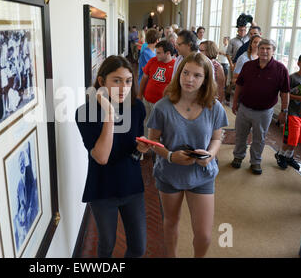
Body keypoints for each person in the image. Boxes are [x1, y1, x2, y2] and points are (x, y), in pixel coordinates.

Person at [145, 52, 228, 258]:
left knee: (204, 235)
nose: (189, 79)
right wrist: (171, 156)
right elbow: (153, 142)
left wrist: (210, 155)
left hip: (202, 173)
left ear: (206, 79)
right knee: (171, 222)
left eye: (197, 75)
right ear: (178, 73)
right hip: (170, 173)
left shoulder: (214, 107)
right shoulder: (162, 106)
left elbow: (217, 138)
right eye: (185, 73)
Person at [75, 55, 148, 258]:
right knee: (107, 245)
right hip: (102, 188)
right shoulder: (84, 113)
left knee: (138, 247)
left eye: (128, 81)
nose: (123, 87)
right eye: (116, 80)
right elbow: (102, 157)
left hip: (132, 185)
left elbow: (134, 151)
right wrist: (108, 113)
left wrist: (140, 150)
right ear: (101, 82)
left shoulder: (137, 108)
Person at [231, 39, 290, 175]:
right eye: (262, 47)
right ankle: (238, 157)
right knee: (240, 135)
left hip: (264, 112)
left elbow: (285, 92)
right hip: (244, 108)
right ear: (257, 49)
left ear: (273, 51)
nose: (264, 51)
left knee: (259, 138)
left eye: (268, 48)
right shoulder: (248, 66)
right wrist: (235, 102)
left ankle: (255, 162)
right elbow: (239, 85)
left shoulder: (281, 69)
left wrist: (284, 111)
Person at [138, 40, 176, 137]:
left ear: (168, 53)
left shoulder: (176, 66)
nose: (156, 54)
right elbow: (144, 78)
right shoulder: (153, 61)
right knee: (146, 123)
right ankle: (146, 145)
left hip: (162, 104)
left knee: (160, 127)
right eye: (156, 52)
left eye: (159, 53)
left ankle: (157, 146)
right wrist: (139, 94)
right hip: (147, 99)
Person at [275, 54, 301, 171]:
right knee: (292, 136)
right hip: (292, 112)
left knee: (297, 138)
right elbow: (284, 93)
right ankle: (280, 154)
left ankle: (289, 156)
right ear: (299, 63)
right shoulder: (292, 78)